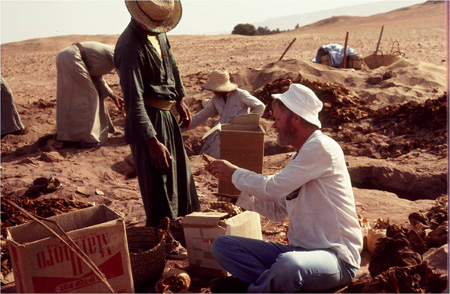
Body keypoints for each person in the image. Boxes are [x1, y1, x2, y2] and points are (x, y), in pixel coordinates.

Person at [206, 83, 363, 293]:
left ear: (296, 118)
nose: (274, 126)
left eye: (278, 119)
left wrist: (234, 173)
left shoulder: (322, 147)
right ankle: (271, 284)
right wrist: (237, 196)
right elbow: (278, 211)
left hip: (336, 258)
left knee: (290, 265)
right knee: (223, 246)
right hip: (300, 252)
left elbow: (272, 188)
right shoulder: (298, 157)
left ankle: (253, 289)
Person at [114, 0, 200, 259]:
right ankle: (163, 238)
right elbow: (134, 100)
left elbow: (172, 65)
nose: (157, 27)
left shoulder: (159, 35)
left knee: (180, 176)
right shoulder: (129, 48)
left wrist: (181, 99)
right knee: (158, 182)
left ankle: (181, 227)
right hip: (149, 122)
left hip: (167, 116)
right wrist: (151, 141)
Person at [56, 41, 123, 148]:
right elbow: (125, 77)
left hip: (71, 57)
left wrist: (113, 95)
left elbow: (97, 76)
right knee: (90, 95)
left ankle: (105, 130)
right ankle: (89, 138)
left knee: (96, 92)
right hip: (72, 57)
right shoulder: (117, 52)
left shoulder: (107, 55)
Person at [185, 70, 265, 158]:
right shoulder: (215, 100)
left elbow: (260, 106)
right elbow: (201, 116)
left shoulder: (240, 95)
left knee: (220, 154)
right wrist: (181, 127)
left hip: (238, 133)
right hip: (221, 132)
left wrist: (248, 124)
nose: (213, 91)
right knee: (208, 152)